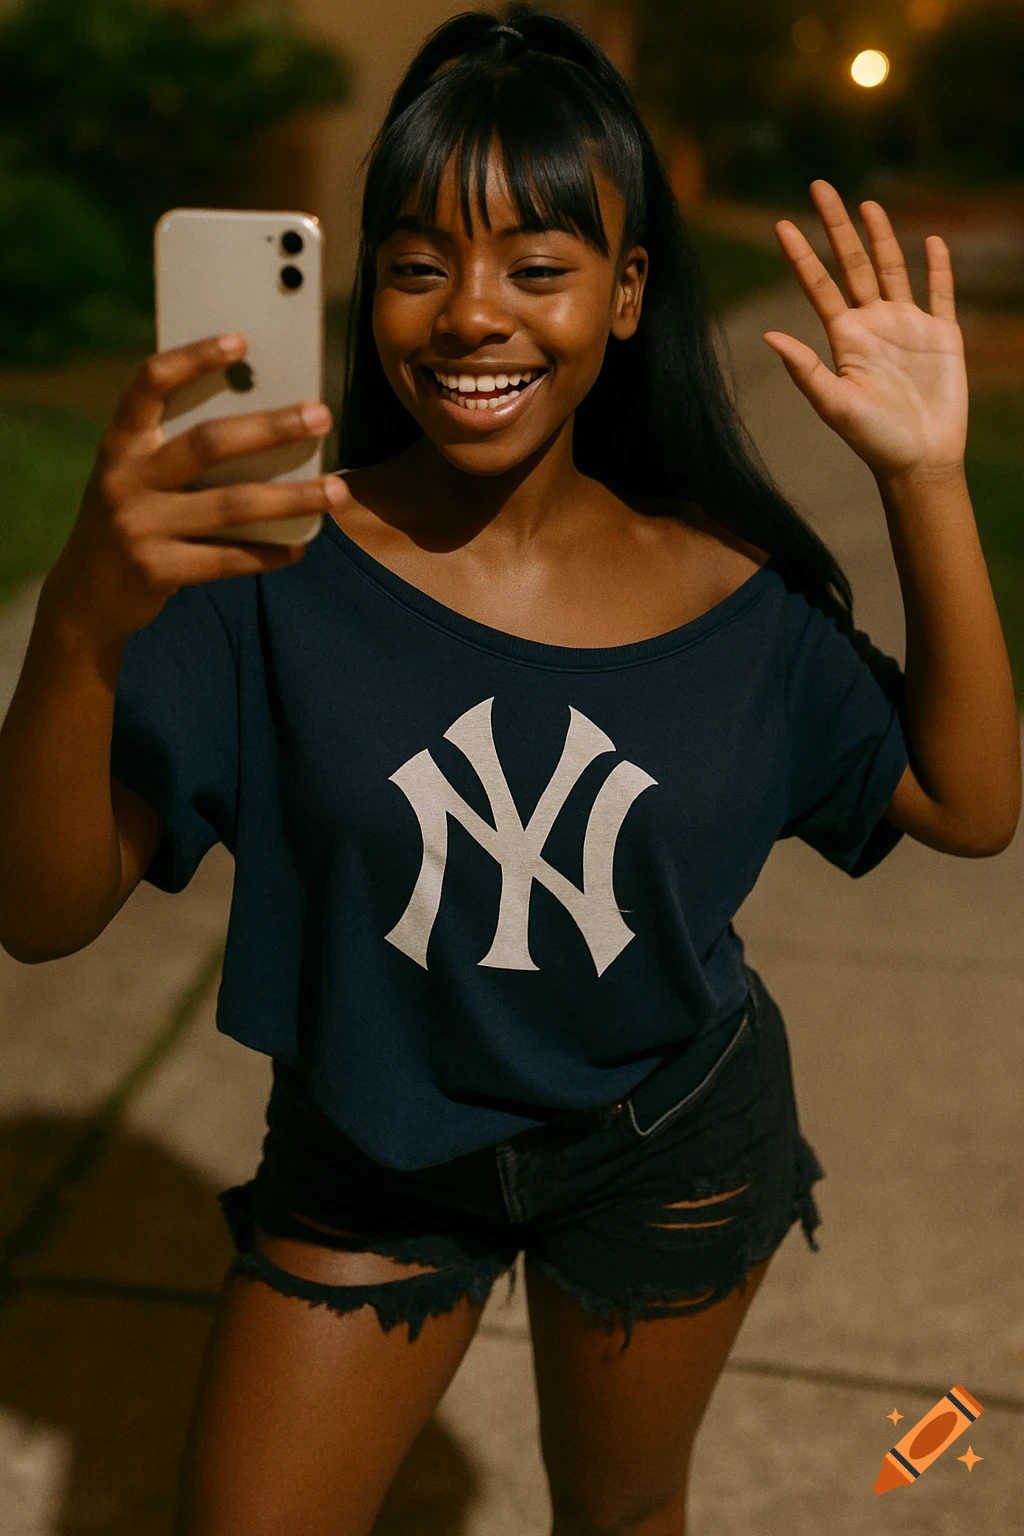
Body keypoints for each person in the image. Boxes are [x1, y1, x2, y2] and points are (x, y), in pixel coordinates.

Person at [0, 7, 1018, 1534]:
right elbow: (40, 913)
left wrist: (925, 478)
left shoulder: (734, 599)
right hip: (374, 1164)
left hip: (669, 1142)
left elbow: (970, 804)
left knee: (620, 1516)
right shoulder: (266, 575)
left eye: (539, 266)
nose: (472, 313)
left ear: (626, 297)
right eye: (420, 264)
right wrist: (82, 613)